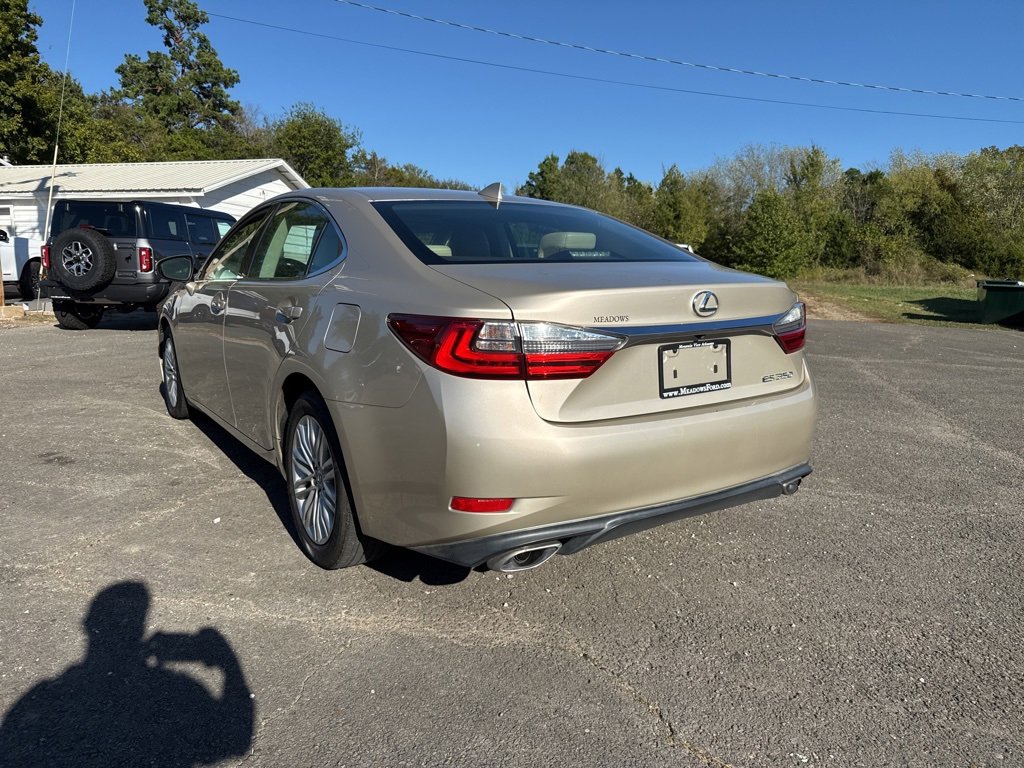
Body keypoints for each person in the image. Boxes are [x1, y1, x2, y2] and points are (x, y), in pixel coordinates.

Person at [0, 582, 253, 768]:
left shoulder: (45, 695)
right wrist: (228, 664)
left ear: (87, 625)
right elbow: (236, 742)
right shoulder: (182, 688)